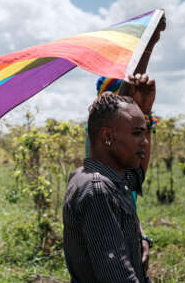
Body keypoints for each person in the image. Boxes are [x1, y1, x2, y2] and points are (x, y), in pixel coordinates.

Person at [63, 73, 156, 282]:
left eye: (145, 132)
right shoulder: (99, 190)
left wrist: (146, 111)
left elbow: (137, 175)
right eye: (137, 133)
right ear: (107, 137)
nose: (145, 142)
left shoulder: (100, 177)